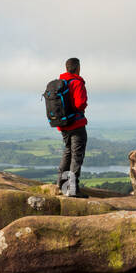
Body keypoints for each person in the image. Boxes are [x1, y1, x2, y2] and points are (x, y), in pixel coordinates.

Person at [45, 57, 88, 196]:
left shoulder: (60, 83)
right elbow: (80, 104)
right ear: (78, 68)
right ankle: (73, 190)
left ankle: (62, 185)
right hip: (76, 124)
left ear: (66, 68)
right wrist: (84, 105)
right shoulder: (76, 83)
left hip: (63, 125)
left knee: (68, 152)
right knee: (77, 156)